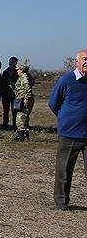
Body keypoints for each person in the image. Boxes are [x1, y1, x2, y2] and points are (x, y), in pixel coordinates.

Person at [49, 50, 87, 210]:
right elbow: (53, 103)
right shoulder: (66, 80)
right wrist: (67, 119)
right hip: (70, 133)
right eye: (85, 59)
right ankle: (61, 201)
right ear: (77, 62)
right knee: (64, 170)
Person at [13, 64, 34, 141]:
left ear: (21, 70)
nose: (17, 71)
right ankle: (25, 134)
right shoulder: (24, 77)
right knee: (24, 117)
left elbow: (27, 88)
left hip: (23, 99)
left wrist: (26, 98)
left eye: (18, 69)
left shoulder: (24, 77)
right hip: (21, 98)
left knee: (21, 117)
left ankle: (21, 135)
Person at [1, 56, 19, 129]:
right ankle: (5, 125)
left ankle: (15, 125)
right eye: (10, 62)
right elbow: (2, 83)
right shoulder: (5, 72)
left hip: (15, 94)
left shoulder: (18, 72)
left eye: (12, 62)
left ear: (16, 63)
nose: (10, 63)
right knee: (5, 110)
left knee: (15, 110)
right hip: (6, 94)